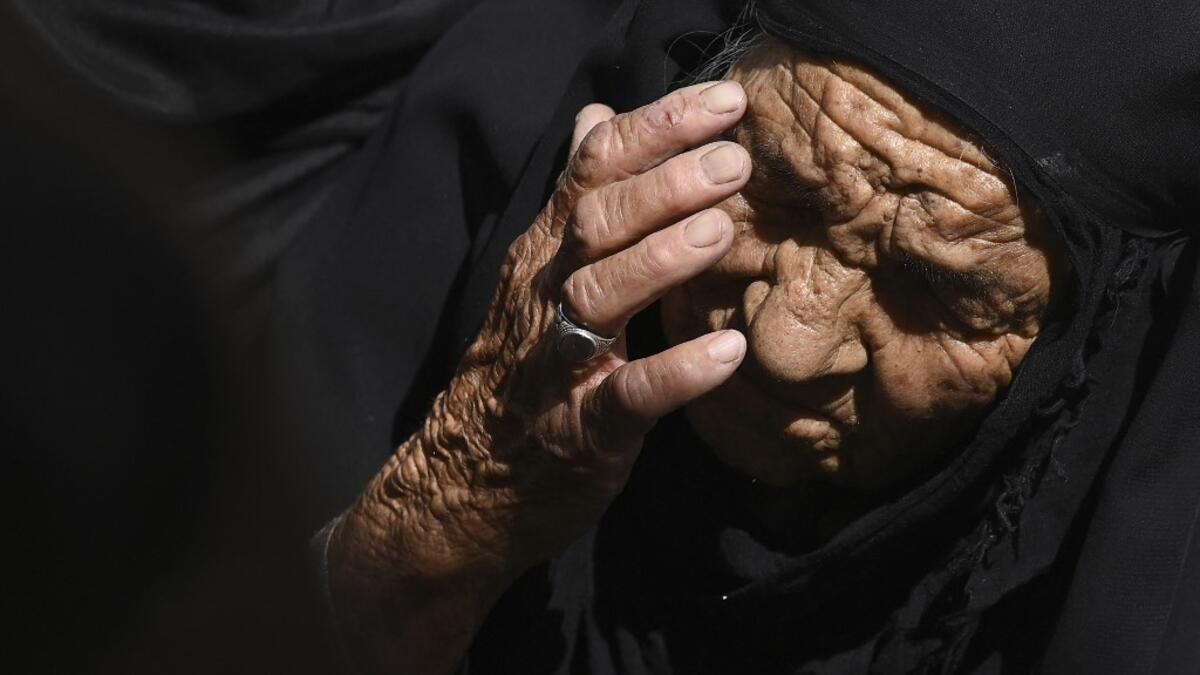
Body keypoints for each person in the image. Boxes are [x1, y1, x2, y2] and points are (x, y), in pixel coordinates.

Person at [7, 1, 1199, 673]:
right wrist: (441, 529)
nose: (789, 343)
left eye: (936, 295)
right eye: (774, 197)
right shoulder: (439, 227)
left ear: (1093, 345)